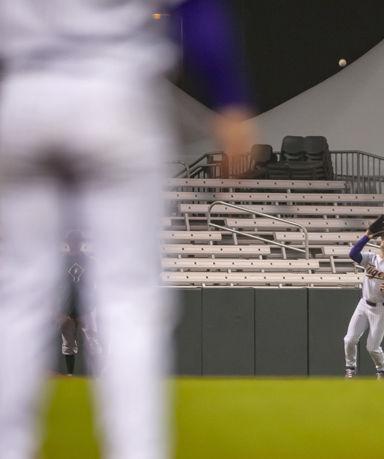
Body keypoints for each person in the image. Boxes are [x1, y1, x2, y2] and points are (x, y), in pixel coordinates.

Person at [0, 2, 253, 458]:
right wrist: (228, 96)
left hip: (23, 88)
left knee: (18, 297)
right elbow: (196, 8)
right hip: (115, 89)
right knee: (127, 298)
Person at [344, 231, 384, 379]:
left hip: (381, 309)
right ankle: (350, 369)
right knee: (349, 339)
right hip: (364, 304)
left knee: (372, 347)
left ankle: (382, 369)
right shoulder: (370, 257)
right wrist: (367, 236)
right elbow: (353, 254)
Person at [60, 230, 102, 376]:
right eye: (72, 241)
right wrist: (59, 310)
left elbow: (97, 284)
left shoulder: (90, 261)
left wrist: (92, 305)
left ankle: (97, 375)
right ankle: (70, 374)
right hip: (67, 308)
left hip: (87, 308)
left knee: (93, 341)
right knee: (68, 345)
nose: (74, 244)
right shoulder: (61, 262)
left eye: (77, 241)